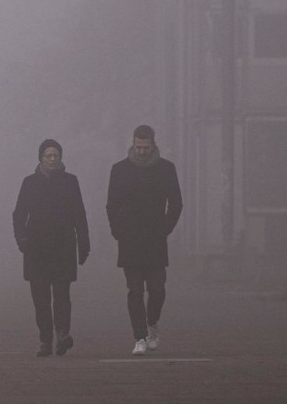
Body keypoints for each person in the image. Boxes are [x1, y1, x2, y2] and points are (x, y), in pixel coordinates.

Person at [106, 124, 182, 356]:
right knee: (135, 290)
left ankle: (153, 325)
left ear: (153, 144)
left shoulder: (166, 169)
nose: (141, 151)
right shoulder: (119, 170)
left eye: (145, 147)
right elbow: (112, 205)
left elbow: (176, 203)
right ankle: (139, 337)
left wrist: (165, 229)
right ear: (133, 143)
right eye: (138, 147)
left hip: (156, 240)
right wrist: (118, 231)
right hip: (130, 240)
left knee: (158, 290)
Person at [13, 139, 90, 357]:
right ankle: (45, 339)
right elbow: (19, 214)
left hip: (63, 245)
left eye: (55, 155)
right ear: (41, 158)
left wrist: (84, 243)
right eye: (48, 155)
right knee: (40, 297)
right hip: (36, 247)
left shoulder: (70, 181)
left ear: (61, 157)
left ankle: (62, 333)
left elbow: (79, 214)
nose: (52, 159)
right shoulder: (29, 183)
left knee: (62, 293)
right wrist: (22, 239)